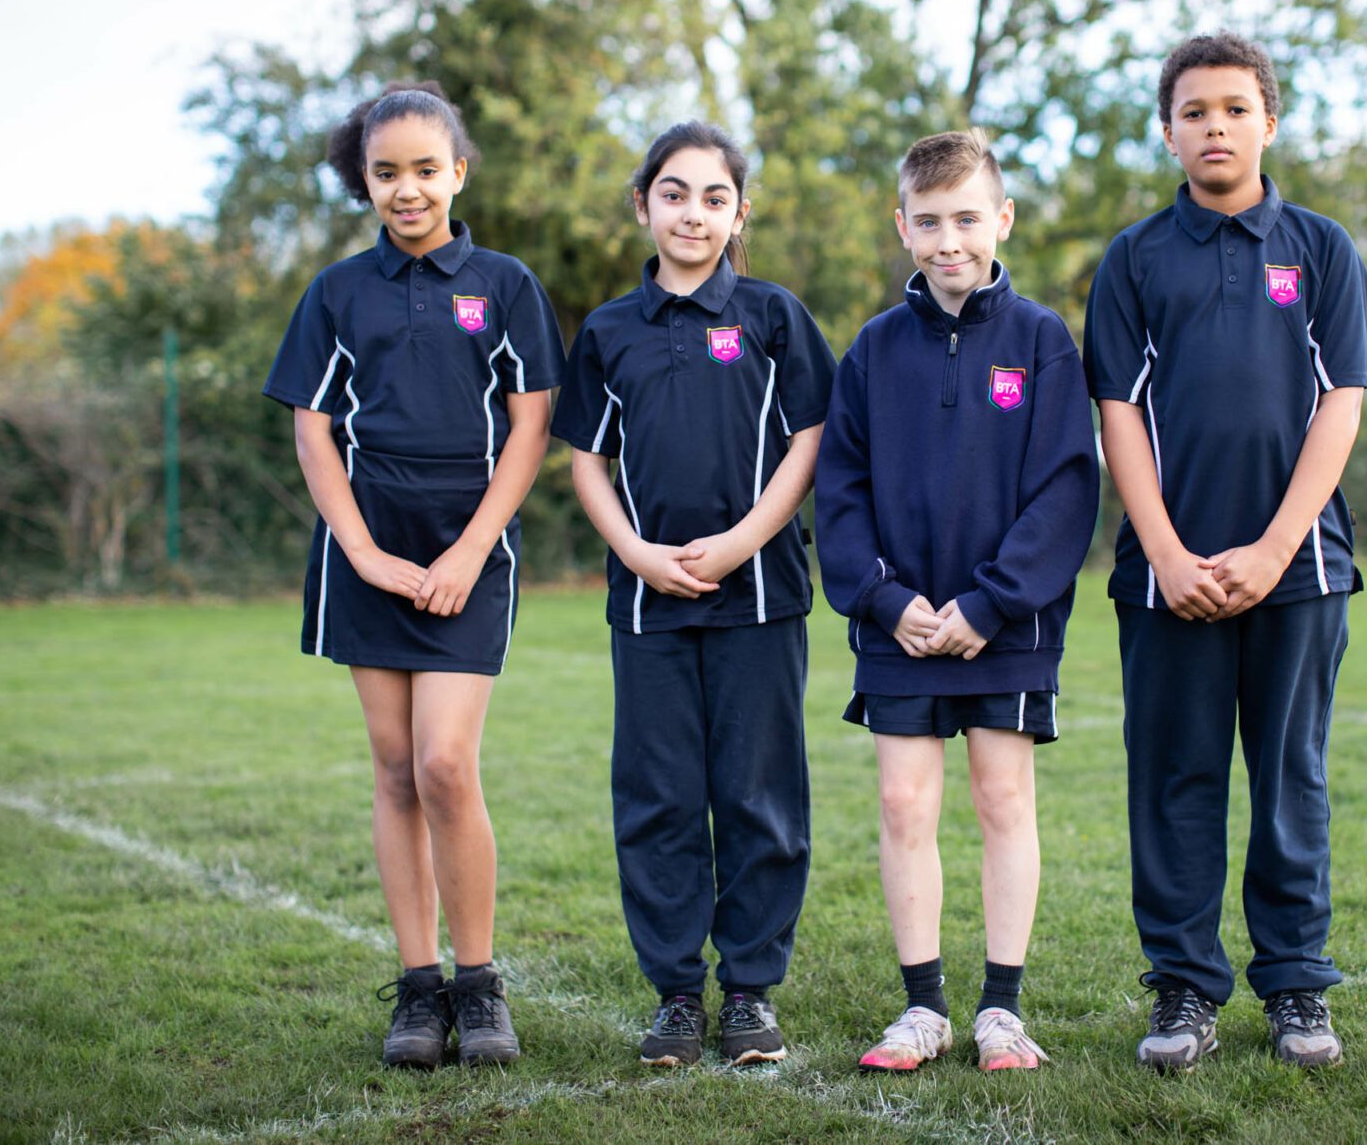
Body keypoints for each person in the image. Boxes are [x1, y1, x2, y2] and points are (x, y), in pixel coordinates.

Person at [1084, 32, 1367, 1070]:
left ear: (1269, 123)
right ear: (1167, 132)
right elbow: (1117, 413)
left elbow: (1339, 404)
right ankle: (1182, 991)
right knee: (1175, 781)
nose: (1215, 126)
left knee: (1291, 778)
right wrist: (1165, 553)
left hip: (1299, 572)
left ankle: (1295, 986)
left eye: (1235, 108)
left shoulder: (1322, 249)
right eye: (1194, 111)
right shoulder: (1133, 259)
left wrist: (1274, 547)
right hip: (1167, 581)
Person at [263, 82, 565, 1069]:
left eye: (425, 169)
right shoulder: (336, 292)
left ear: (458, 172)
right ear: (364, 179)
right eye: (386, 172)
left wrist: (471, 549)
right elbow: (312, 430)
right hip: (369, 547)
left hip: (467, 544)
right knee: (395, 770)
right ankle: (418, 989)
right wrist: (361, 551)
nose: (407, 189)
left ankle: (479, 986)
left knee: (443, 762)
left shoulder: (504, 284)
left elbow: (531, 425)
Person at [551, 121, 836, 1068]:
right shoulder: (608, 331)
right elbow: (587, 460)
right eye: (674, 194)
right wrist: (635, 551)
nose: (693, 214)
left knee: (759, 796)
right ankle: (676, 993)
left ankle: (750, 989)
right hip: (649, 606)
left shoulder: (773, 316)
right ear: (644, 204)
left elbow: (811, 440)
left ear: (739, 214)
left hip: (760, 597)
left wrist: (743, 541)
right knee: (660, 799)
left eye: (715, 198)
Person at [816, 129, 1099, 1073]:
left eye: (967, 219)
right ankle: (924, 1008)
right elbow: (840, 490)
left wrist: (991, 604)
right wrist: (881, 599)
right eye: (930, 221)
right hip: (898, 623)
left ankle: (1001, 1012)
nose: (950, 241)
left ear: (1002, 220)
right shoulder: (872, 350)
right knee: (903, 803)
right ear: (902, 226)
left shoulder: (1042, 342)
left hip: (1004, 625)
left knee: (1001, 797)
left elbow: (1065, 490)